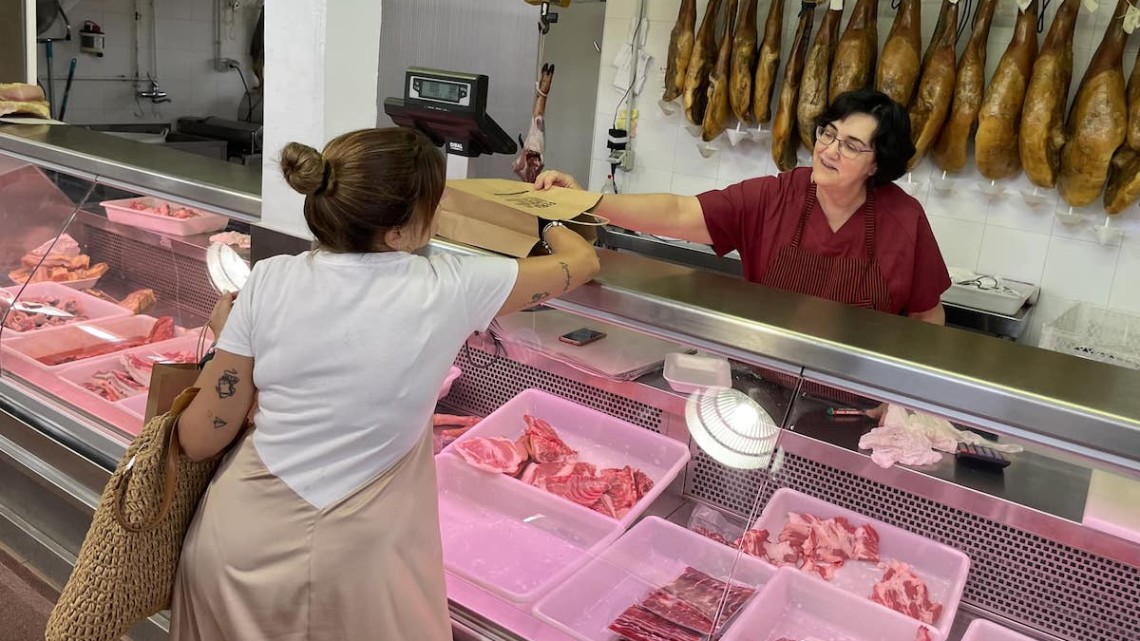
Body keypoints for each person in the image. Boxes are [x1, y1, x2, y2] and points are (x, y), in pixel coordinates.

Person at [169, 127, 600, 640]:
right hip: (356, 572)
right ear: (397, 233)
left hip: (235, 548)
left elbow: (198, 437)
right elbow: (584, 263)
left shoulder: (267, 279)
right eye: (433, 206)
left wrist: (225, 342)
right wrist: (549, 212)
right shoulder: (451, 286)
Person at [537, 88, 951, 324]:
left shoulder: (904, 220)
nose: (828, 150)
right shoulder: (777, 196)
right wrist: (586, 201)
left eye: (851, 145)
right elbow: (680, 213)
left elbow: (927, 317)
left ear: (877, 163)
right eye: (828, 133)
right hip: (766, 376)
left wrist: (899, 401)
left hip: (859, 400)